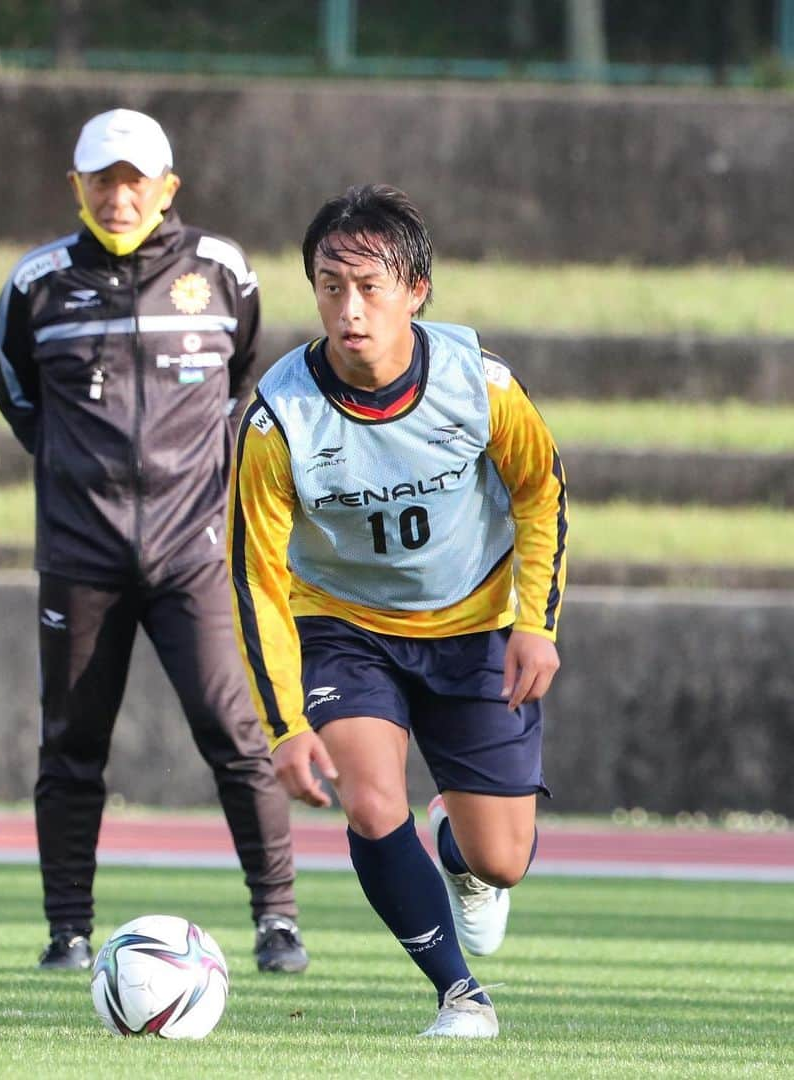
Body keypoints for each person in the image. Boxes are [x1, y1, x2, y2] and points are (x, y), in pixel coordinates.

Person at [228, 184, 567, 1038]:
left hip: (475, 626)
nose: (349, 310)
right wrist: (284, 725)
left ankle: (460, 848)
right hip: (343, 629)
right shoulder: (278, 420)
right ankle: (460, 995)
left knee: (505, 860)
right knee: (372, 802)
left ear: (416, 291)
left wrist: (536, 623)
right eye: (330, 287)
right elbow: (256, 576)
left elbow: (541, 490)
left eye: (370, 287)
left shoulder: (478, 383)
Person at [0, 108, 308, 975]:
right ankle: (67, 931)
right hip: (80, 557)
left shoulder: (223, 273)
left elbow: (240, 387)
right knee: (71, 745)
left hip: (192, 553)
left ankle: (277, 919)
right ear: (77, 187)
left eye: (136, 179)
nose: (119, 195)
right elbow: (21, 404)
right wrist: (81, 486)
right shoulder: (36, 286)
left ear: (168, 187)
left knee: (234, 732)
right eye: (103, 179)